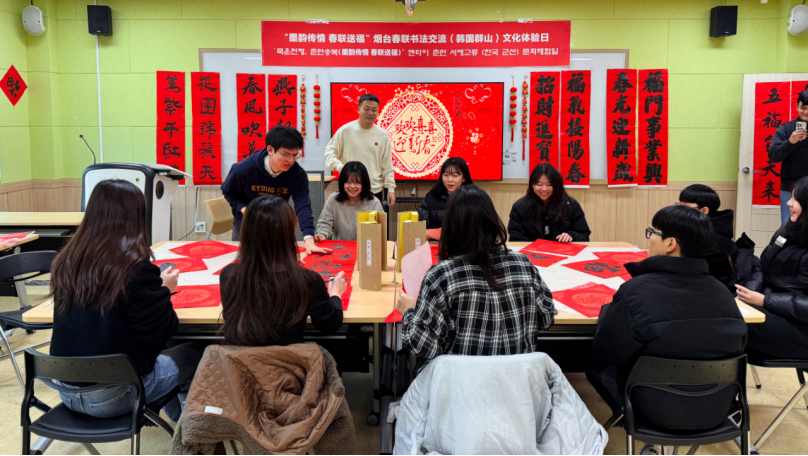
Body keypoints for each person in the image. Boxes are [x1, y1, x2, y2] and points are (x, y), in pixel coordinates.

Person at [49, 180, 202, 422]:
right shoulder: (134, 268)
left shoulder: (66, 261)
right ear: (136, 218)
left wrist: (155, 288)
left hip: (65, 391)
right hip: (115, 395)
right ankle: (191, 430)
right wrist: (163, 290)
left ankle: (177, 422)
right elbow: (161, 333)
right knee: (200, 353)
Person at [588, 205, 748, 432]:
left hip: (652, 409)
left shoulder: (635, 291)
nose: (649, 238)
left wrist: (609, 312)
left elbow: (607, 352)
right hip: (716, 408)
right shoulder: (723, 292)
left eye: (652, 232)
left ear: (671, 244)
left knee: (594, 367)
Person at [396, 185, 555, 364]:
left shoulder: (441, 275)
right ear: (492, 221)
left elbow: (424, 346)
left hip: (460, 387)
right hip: (516, 385)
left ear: (450, 226)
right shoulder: (523, 264)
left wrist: (409, 311)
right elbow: (546, 318)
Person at [220, 195, 345, 347]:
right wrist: (335, 295)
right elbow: (330, 325)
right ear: (287, 234)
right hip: (289, 366)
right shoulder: (307, 281)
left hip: (239, 367)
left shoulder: (229, 275)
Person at [221, 126, 328, 255]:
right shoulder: (244, 169)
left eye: (295, 155)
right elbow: (229, 192)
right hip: (247, 222)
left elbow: (303, 205)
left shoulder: (297, 174)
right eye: (286, 155)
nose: (291, 160)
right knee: (246, 262)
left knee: (277, 262)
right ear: (270, 150)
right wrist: (244, 208)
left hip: (276, 222)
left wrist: (309, 239)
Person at [736, 175, 808, 361]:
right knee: (721, 309)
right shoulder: (787, 230)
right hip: (775, 312)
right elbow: (763, 267)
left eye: (796, 199)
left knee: (729, 324)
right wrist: (747, 295)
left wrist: (764, 300)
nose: (789, 203)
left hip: (800, 329)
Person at [324, 93, 396, 209]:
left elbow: (387, 165)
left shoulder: (382, 135)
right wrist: (339, 167)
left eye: (374, 110)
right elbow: (328, 154)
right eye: (366, 109)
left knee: (374, 226)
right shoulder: (345, 130)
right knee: (348, 226)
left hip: (374, 190)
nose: (370, 113)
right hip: (350, 190)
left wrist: (391, 189)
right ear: (358, 109)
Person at [678, 184, 739, 292]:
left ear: (704, 211)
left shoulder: (712, 243)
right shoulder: (701, 229)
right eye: (679, 206)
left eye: (685, 208)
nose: (679, 211)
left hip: (713, 294)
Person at [508, 163, 590, 243]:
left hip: (562, 253)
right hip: (532, 254)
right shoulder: (519, 207)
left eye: (549, 184)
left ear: (557, 186)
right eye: (539, 184)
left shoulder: (571, 205)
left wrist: (571, 236)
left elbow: (584, 235)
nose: (544, 189)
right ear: (532, 185)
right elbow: (516, 238)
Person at [315, 161, 383, 242]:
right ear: (342, 182)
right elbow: (325, 224)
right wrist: (322, 234)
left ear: (364, 183)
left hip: (366, 250)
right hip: (339, 250)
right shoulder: (333, 199)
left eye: (357, 183)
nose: (352, 186)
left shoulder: (374, 203)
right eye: (348, 182)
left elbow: (380, 230)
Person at [769, 90, 808, 225]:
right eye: (803, 108)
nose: (806, 112)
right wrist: (790, 142)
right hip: (790, 188)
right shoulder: (785, 129)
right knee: (788, 226)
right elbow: (773, 157)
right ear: (797, 106)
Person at [418, 157, 473, 230]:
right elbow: (422, 229)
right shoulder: (431, 198)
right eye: (446, 175)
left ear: (464, 178)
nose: (449, 180)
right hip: (436, 241)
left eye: (455, 176)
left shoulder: (473, 198)